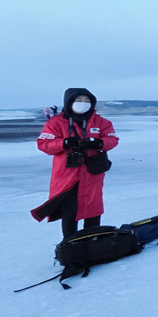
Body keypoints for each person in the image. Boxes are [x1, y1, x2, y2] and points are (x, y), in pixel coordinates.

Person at [30, 88, 118, 241]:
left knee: (93, 207)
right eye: (79, 100)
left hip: (92, 173)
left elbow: (112, 140)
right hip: (66, 174)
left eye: (87, 101)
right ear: (69, 102)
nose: (83, 104)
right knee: (69, 211)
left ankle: (92, 243)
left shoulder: (102, 122)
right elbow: (44, 144)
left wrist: (98, 143)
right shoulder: (56, 123)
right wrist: (64, 143)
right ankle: (70, 243)